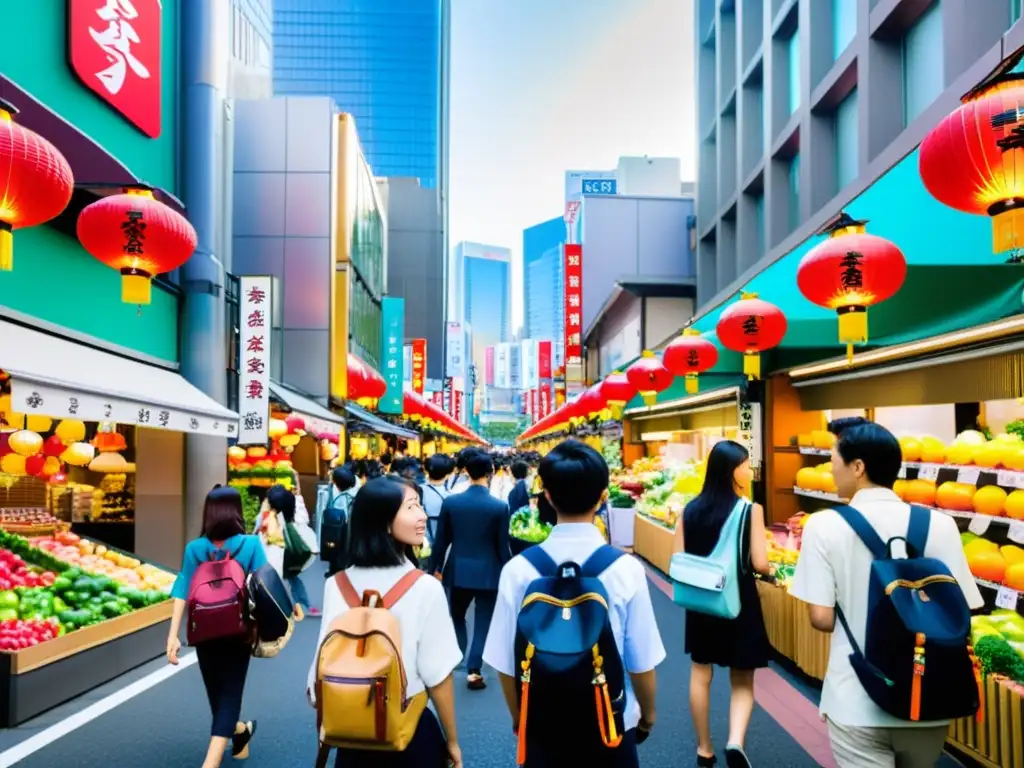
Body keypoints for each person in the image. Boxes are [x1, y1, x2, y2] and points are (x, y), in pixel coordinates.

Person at [789, 420, 984, 768]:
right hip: (927, 696)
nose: (830, 469)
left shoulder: (824, 524)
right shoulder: (939, 524)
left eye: (834, 459)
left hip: (856, 696)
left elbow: (821, 618)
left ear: (858, 467)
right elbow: (964, 610)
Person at [483, 440, 664, 767]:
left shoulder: (518, 570)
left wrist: (519, 719)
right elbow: (641, 661)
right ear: (603, 496)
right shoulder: (625, 569)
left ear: (547, 496)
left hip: (541, 727)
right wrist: (647, 716)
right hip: (610, 725)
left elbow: (504, 664)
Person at [307, 477, 463, 767]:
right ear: (384, 523)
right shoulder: (425, 587)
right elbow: (438, 675)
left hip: (350, 735)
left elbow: (317, 673)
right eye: (411, 507)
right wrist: (452, 741)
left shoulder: (337, 584)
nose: (421, 516)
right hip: (409, 731)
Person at [682, 440, 771, 768]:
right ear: (732, 470)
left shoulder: (689, 510)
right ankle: (735, 741)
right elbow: (760, 563)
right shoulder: (750, 510)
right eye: (746, 465)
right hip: (739, 602)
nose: (750, 471)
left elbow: (678, 558)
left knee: (701, 672)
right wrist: (772, 569)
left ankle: (704, 747)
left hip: (701, 601)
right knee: (742, 678)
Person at [167, 486, 268, 768]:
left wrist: (173, 635)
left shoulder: (195, 548)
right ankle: (240, 731)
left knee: (219, 694)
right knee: (227, 695)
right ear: (235, 511)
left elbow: (182, 589)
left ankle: (210, 763)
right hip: (240, 632)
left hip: (204, 631)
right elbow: (264, 587)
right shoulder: (251, 545)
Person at [432, 450, 511, 690]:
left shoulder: (452, 503)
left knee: (457, 616)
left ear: (466, 471)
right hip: (490, 572)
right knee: (484, 620)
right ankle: (474, 669)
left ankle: (457, 656)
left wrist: (432, 568)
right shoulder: (499, 507)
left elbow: (441, 541)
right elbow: (502, 546)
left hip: (457, 569)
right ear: (491, 473)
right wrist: (509, 572)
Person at [265, 484, 319, 619]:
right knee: (293, 579)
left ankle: (284, 606)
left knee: (280, 581)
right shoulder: (292, 519)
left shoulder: (271, 519)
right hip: (290, 557)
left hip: (275, 557)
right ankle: (305, 605)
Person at [323, 465, 357, 577]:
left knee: (336, 553)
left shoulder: (329, 492)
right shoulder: (356, 491)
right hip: (350, 529)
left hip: (335, 528)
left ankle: (335, 572)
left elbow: (322, 513)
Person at [421, 454, 453, 545]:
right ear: (447, 475)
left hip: (421, 545)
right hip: (442, 546)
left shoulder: (416, 491)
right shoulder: (451, 497)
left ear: (427, 471)